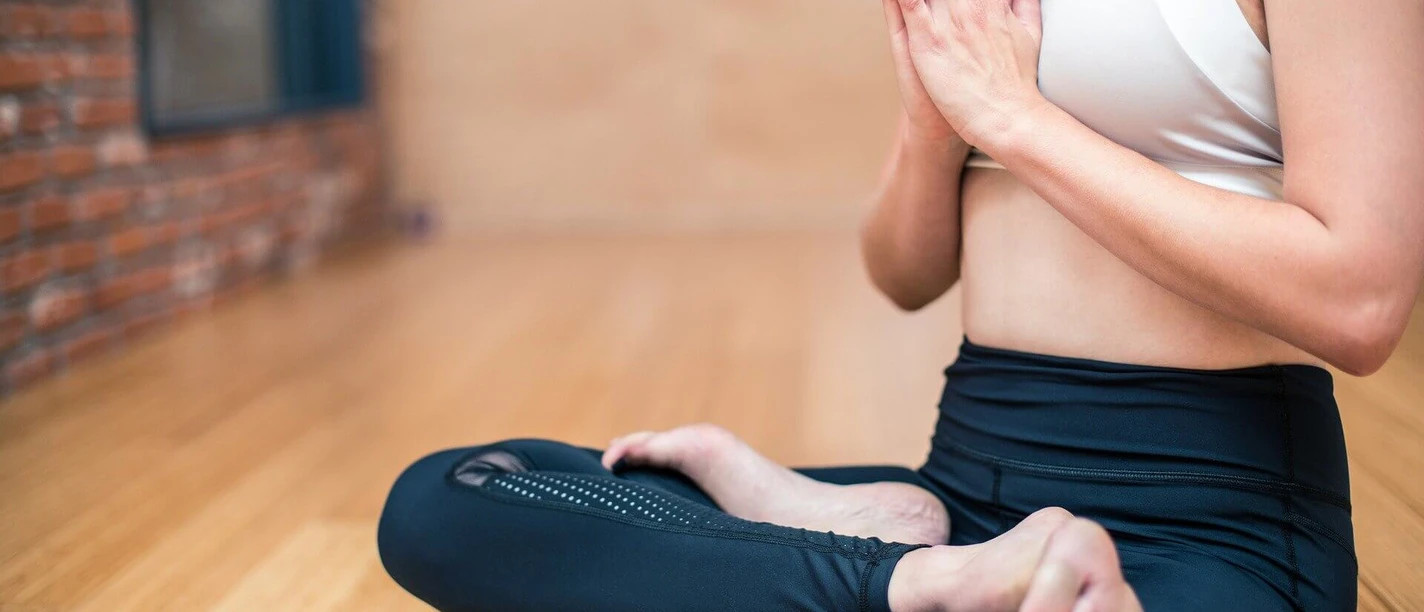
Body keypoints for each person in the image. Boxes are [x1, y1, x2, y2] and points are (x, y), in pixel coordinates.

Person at [376, 0, 1424, 610]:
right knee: (450, 499)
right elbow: (902, 271)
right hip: (961, 490)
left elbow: (1359, 297)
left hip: (1207, 522)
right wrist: (934, 126)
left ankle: (884, 577)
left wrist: (1011, 119)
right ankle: (913, 577)